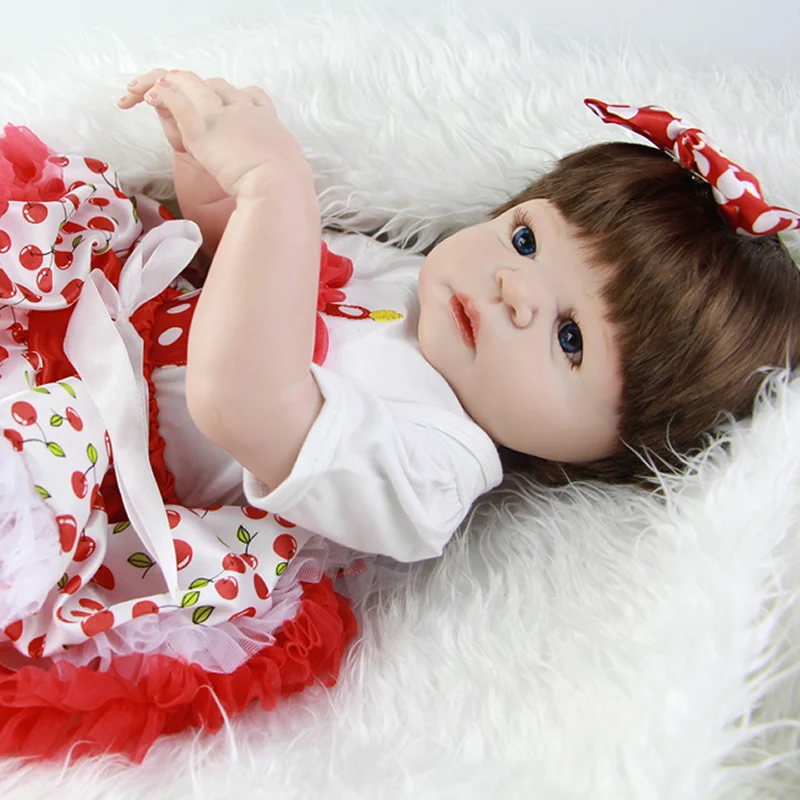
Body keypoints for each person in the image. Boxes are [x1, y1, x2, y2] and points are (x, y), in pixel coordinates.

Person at [0, 69, 798, 760]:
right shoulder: (408, 278)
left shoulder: (434, 467)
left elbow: (241, 401)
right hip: (80, 331)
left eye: (569, 337)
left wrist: (277, 188)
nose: (512, 288)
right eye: (526, 241)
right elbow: (237, 267)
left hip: (88, 467)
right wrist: (217, 183)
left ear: (606, 451)